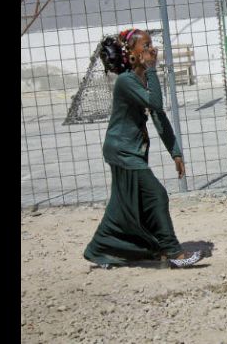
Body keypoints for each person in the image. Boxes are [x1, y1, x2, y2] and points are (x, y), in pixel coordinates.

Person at [84, 28, 203, 269]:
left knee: (123, 204)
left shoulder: (141, 79)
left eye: (151, 45)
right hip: (123, 151)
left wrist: (175, 152)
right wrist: (152, 70)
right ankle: (173, 252)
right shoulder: (127, 81)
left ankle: (99, 249)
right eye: (146, 47)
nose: (152, 50)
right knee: (156, 196)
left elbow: (158, 115)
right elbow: (155, 102)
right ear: (132, 54)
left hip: (128, 149)